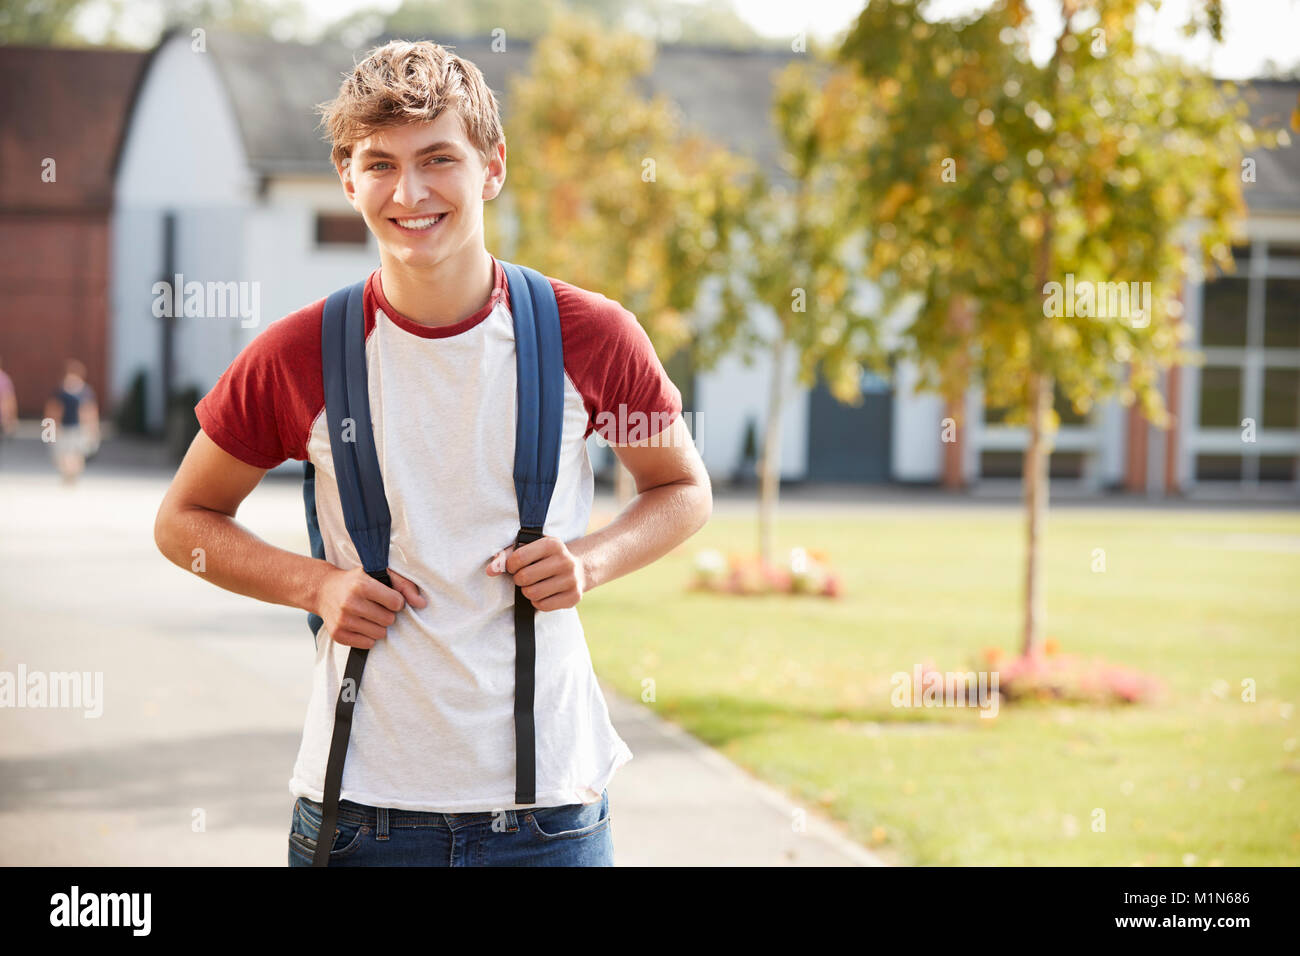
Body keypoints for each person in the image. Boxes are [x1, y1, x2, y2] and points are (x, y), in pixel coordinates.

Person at [153, 39, 712, 867]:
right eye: (379, 165)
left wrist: (591, 562)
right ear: (348, 177)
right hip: (360, 816)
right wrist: (315, 583)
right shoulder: (299, 353)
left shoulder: (589, 336)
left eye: (438, 159)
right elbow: (182, 521)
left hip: (549, 814)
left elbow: (681, 490)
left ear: (492, 167)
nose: (409, 192)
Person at [43, 359, 99, 485]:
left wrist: (49, 429)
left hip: (70, 427)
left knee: (69, 452)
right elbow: (88, 411)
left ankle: (70, 474)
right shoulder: (81, 392)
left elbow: (53, 411)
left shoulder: (65, 391)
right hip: (72, 427)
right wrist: (93, 428)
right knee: (71, 453)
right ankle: (70, 473)